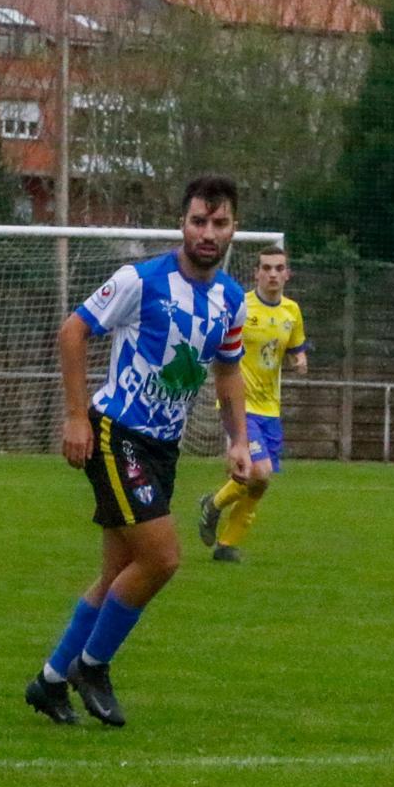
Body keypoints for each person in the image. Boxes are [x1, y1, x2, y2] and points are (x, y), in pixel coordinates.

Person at [24, 174, 251, 729]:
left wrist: (239, 440)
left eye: (219, 223)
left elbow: (227, 371)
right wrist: (77, 417)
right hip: (115, 432)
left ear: (233, 229)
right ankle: (92, 666)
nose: (208, 232)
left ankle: (50, 683)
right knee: (162, 559)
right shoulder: (140, 279)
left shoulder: (231, 299)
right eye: (199, 220)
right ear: (183, 222)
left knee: (117, 573)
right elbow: (73, 332)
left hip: (162, 448)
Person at [196, 244, 307, 563]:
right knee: (260, 472)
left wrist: (300, 358)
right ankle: (214, 505)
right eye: (266, 268)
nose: (272, 273)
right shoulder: (240, 306)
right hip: (239, 405)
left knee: (257, 484)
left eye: (279, 268)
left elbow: (295, 346)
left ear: (287, 274)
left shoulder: (292, 311)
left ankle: (227, 543)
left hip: (271, 408)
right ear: (256, 272)